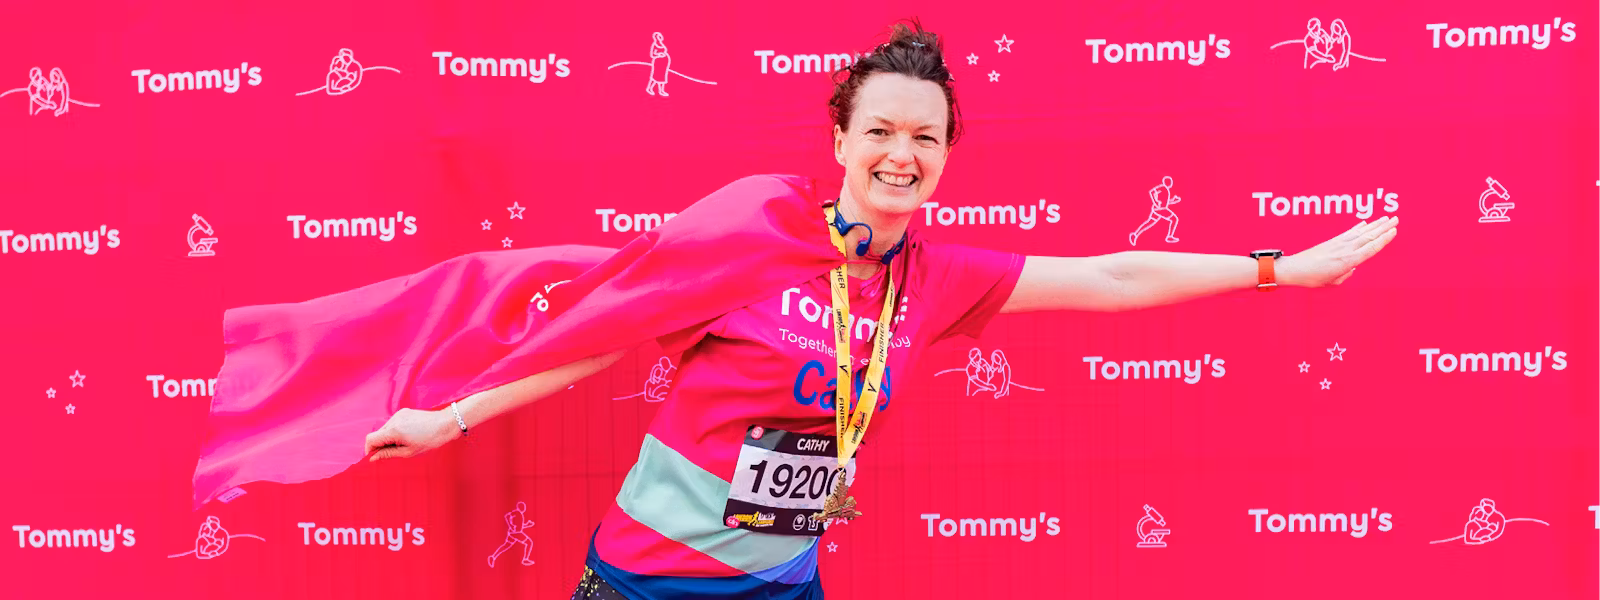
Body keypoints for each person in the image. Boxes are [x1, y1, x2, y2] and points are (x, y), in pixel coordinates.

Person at [192, 19, 1396, 600]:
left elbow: (1109, 277)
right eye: (879, 131)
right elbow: (589, 338)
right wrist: (451, 420)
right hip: (646, 585)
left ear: (946, 156)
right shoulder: (752, 235)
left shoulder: (941, 276)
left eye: (924, 138)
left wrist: (1278, 269)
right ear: (839, 139)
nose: (901, 154)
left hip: (782, 586)